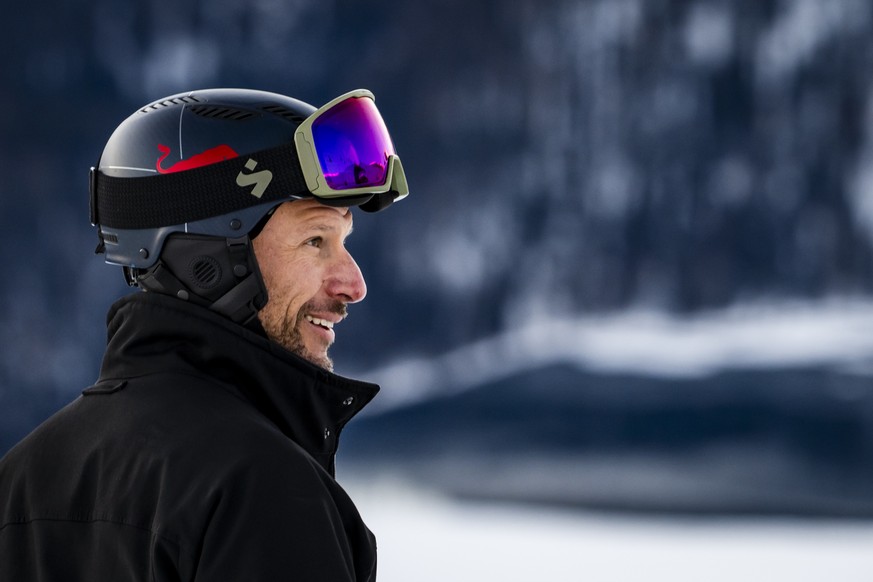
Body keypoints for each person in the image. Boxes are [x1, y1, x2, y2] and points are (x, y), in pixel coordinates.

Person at [0, 87, 409, 580]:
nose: (354, 285)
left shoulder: (23, 478)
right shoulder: (265, 490)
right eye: (315, 240)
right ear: (210, 259)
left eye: (343, 242)